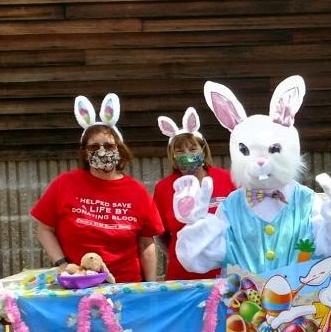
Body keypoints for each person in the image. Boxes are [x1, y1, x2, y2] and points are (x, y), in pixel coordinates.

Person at [31, 93, 163, 283]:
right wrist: (62, 264)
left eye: (109, 146)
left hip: (125, 286)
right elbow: (44, 230)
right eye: (94, 147)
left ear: (119, 149)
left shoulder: (138, 191)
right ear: (85, 153)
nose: (102, 151)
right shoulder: (65, 183)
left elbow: (146, 244)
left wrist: (151, 288)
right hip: (77, 283)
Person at [152, 108, 235, 280]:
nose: (187, 155)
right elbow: (161, 234)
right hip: (182, 276)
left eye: (192, 149)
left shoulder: (228, 179)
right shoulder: (164, 188)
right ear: (172, 156)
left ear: (203, 151)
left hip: (226, 274)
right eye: (180, 151)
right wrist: (185, 254)